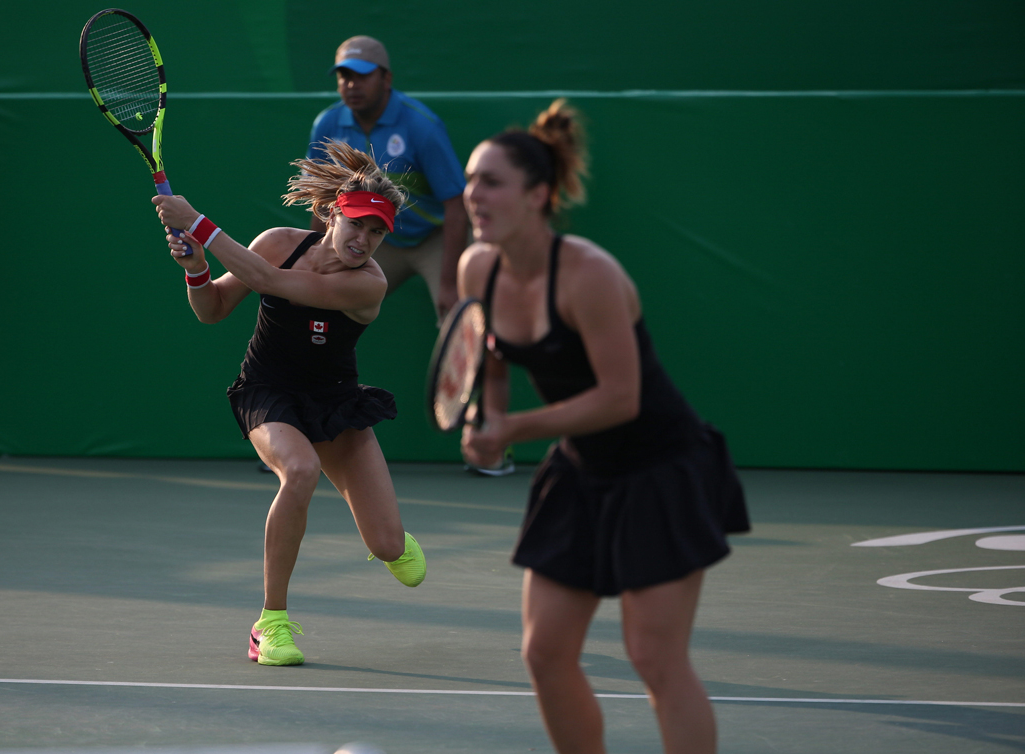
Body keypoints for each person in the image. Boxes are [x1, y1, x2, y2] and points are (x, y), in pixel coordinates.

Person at [458, 100, 751, 753]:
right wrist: (491, 411)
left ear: (538, 195)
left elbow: (622, 398)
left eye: (492, 181)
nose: (473, 193)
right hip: (583, 471)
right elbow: (495, 354)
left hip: (662, 467)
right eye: (471, 178)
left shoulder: (588, 274)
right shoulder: (478, 266)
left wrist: (512, 430)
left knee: (654, 658)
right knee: (544, 652)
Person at [151, 139, 428, 667]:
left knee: (392, 548)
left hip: (336, 401)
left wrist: (198, 222)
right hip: (267, 392)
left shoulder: (370, 284)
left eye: (377, 231)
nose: (364, 239)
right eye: (357, 224)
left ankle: (392, 542)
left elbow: (268, 282)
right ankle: (269, 624)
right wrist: (196, 267)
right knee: (298, 470)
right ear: (330, 214)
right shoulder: (277, 242)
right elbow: (212, 310)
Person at [309, 36, 513, 476]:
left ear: (386, 79)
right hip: (368, 237)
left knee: (465, 322)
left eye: (362, 76)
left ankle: (487, 441)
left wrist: (446, 281)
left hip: (432, 237)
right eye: (344, 76)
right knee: (311, 310)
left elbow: (456, 203)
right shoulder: (327, 124)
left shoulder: (420, 125)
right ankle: (299, 430)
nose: (351, 85)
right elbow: (319, 199)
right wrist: (312, 257)